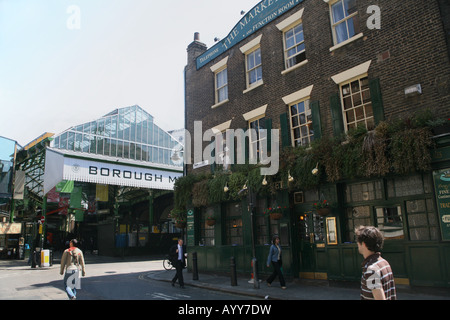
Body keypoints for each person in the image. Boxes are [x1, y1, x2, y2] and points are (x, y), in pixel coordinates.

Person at [355, 226, 397, 300]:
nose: (357, 244)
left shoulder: (371, 270)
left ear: (363, 244)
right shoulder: (384, 262)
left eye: (358, 242)